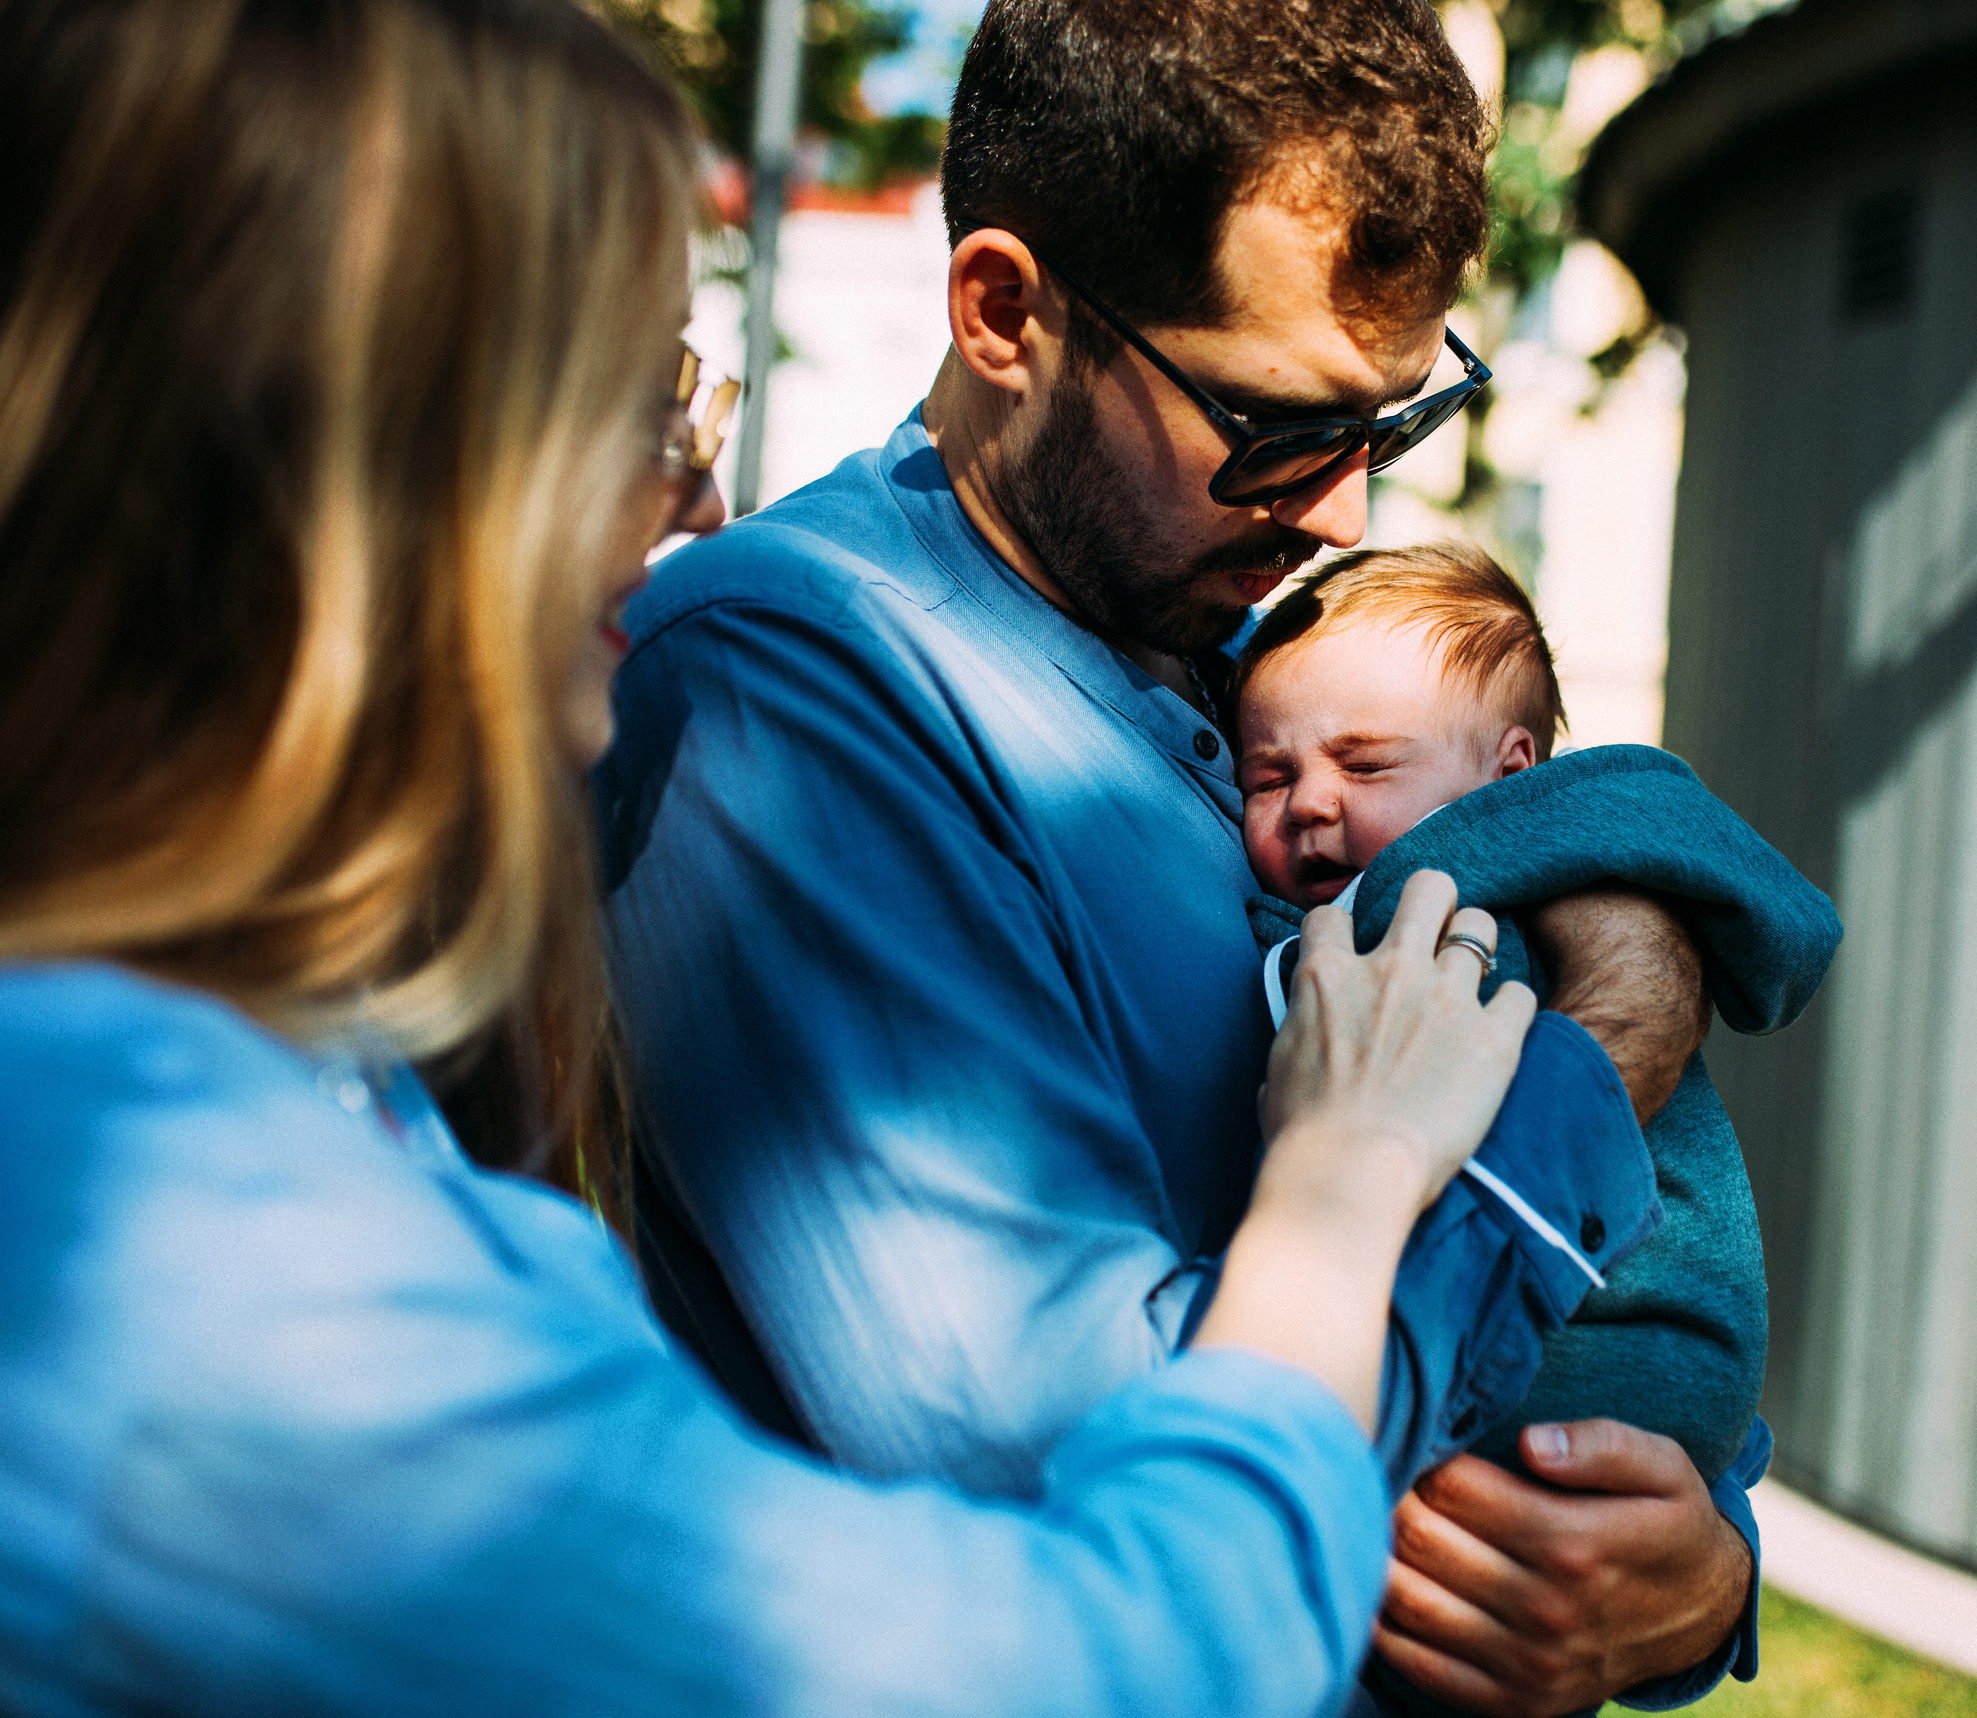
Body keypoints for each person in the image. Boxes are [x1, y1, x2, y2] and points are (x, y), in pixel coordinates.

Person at [0, 3, 1657, 1714]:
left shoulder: (265, 1097)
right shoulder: (143, 1220)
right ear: (328, 480)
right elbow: (1088, 1641)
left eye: (684, 395)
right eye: (617, 406)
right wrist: (1400, 1151)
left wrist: (1669, 1562)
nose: (693, 499)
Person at [595, 3, 1768, 1712]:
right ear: (1007, 313)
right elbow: (1076, 1480)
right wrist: (1600, 1057)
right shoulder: (784, 692)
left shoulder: (1252, 636)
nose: (1345, 512)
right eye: (1277, 425)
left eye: (1392, 423)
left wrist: (1694, 1558)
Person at [1234, 541, 1841, 1501]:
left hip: (1600, 1329)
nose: (1308, 802)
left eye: (1366, 763)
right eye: (1266, 779)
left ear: (1509, 771)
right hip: (1654, 1371)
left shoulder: (1466, 906)